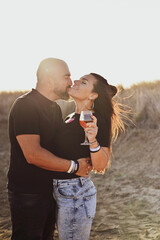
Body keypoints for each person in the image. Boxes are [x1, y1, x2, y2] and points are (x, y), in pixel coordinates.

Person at [7, 58, 91, 240]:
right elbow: (33, 154)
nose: (71, 82)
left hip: (50, 191)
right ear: (49, 80)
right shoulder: (26, 106)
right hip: (28, 194)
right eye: (66, 77)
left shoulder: (54, 108)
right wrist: (74, 166)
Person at [52, 73, 125, 240]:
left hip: (76, 194)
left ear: (93, 95)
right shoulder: (70, 116)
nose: (76, 81)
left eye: (83, 82)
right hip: (60, 191)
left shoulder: (96, 119)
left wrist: (92, 141)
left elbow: (100, 165)